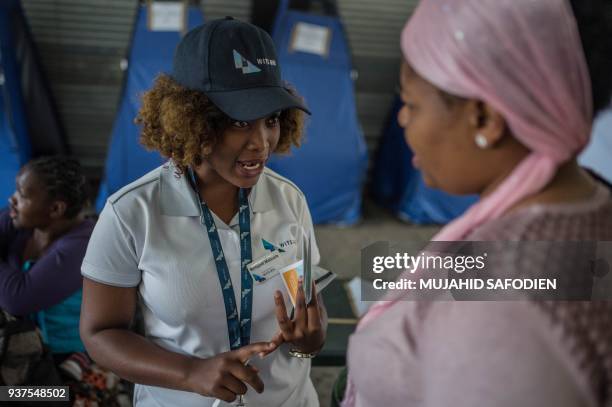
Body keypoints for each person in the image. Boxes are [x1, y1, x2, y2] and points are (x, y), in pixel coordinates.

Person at [342, 0, 612, 406]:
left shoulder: (499, 317)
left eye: (411, 104)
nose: (402, 121)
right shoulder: (589, 199)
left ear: (484, 118)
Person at [80, 17, 328, 407]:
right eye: (240, 121)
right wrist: (190, 373)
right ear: (192, 118)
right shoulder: (132, 213)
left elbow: (308, 303)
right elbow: (100, 334)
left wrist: (308, 340)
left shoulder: (290, 201)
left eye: (272, 119)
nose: (261, 142)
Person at [1, 156, 93, 360]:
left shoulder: (83, 246)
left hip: (64, 362)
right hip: (20, 349)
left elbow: (18, 299)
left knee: (17, 394)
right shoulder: (21, 221)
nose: (12, 199)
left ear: (55, 209)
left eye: (22, 195)